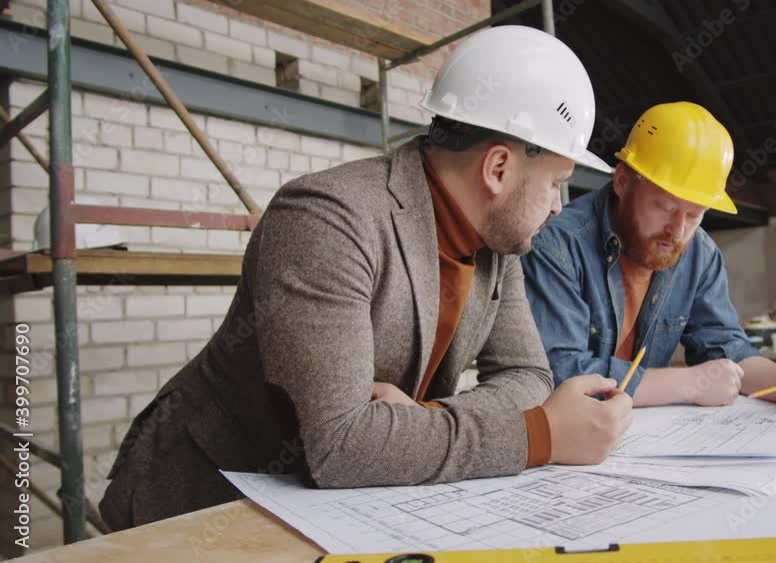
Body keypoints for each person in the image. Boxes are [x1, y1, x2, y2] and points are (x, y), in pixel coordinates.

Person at [100, 26, 633, 530]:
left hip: (335, 508)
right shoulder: (326, 218)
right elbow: (341, 445)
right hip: (203, 503)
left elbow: (529, 375)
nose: (559, 208)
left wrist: (423, 419)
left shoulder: (499, 242)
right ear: (498, 169)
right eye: (556, 183)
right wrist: (541, 433)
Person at [521, 102, 776, 412]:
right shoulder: (557, 244)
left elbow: (727, 349)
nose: (677, 232)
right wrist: (686, 384)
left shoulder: (699, 254)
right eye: (665, 207)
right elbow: (559, 371)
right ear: (622, 182)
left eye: (695, 215)